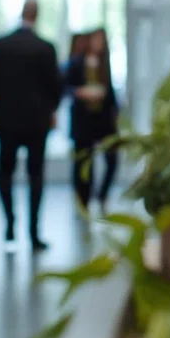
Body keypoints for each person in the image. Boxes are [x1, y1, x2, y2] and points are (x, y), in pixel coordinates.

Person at [0, 0, 61, 250]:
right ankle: (33, 232)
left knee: (4, 174)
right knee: (36, 175)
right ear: (37, 16)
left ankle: (10, 222)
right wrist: (52, 110)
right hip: (36, 124)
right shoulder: (45, 48)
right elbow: (55, 87)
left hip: (6, 122)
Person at [66, 28, 119, 211]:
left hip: (104, 120)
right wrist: (81, 93)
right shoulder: (76, 62)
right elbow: (66, 87)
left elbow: (110, 93)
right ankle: (84, 199)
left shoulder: (105, 64)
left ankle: (102, 195)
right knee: (83, 161)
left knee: (112, 159)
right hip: (83, 121)